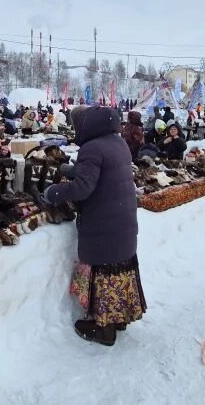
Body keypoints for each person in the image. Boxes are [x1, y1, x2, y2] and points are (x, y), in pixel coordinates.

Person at [43, 106, 145, 346]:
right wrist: (72, 169)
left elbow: (82, 188)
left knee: (105, 273)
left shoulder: (92, 148)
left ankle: (104, 329)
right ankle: (119, 318)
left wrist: (53, 192)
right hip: (121, 219)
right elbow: (101, 170)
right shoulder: (117, 142)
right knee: (119, 269)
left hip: (104, 222)